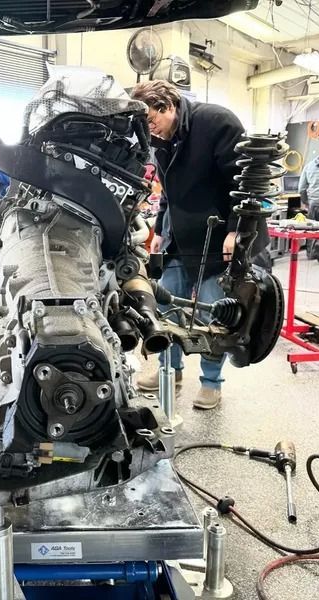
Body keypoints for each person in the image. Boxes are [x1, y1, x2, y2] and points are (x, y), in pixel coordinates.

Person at [132, 80, 246, 410]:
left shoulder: (216, 123)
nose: (150, 131)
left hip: (218, 239)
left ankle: (211, 383)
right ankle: (170, 371)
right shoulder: (161, 138)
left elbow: (245, 186)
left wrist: (235, 231)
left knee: (214, 313)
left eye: (152, 121)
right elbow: (168, 193)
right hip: (181, 241)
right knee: (165, 307)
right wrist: (159, 234)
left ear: (168, 107)